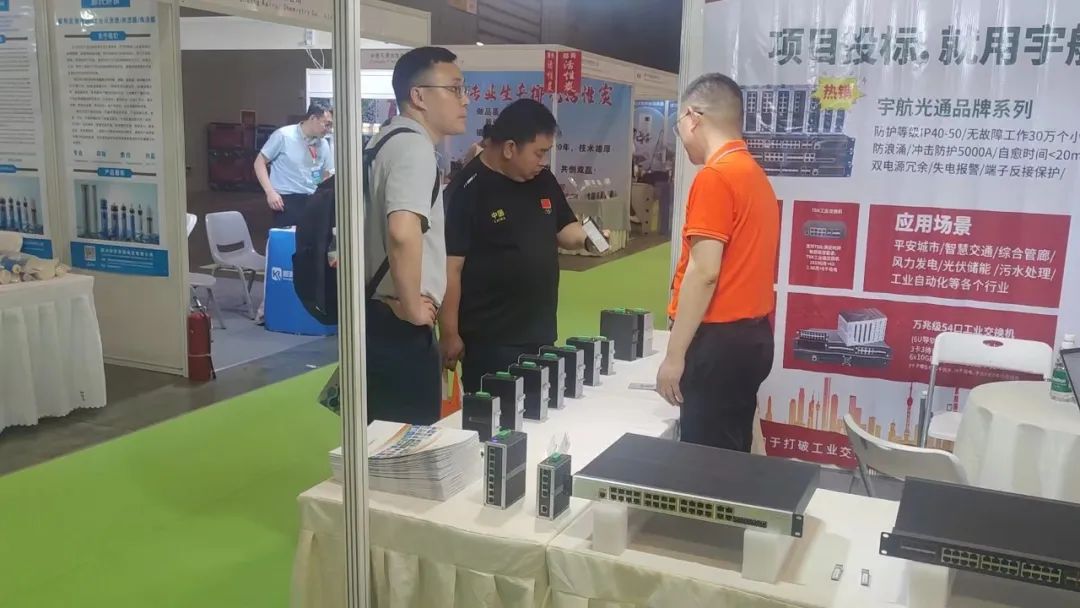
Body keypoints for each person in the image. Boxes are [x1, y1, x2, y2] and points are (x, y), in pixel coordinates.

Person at [440, 99, 602, 392]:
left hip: (541, 332)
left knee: (543, 409)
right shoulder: (467, 189)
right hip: (491, 340)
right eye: (539, 152)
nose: (544, 161)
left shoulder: (543, 179)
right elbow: (451, 268)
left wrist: (589, 238)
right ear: (509, 148)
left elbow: (565, 229)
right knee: (497, 415)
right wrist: (449, 333)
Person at [656, 73, 780, 453]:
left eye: (678, 124)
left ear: (693, 118)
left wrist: (674, 356)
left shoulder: (716, 177)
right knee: (733, 450)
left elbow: (705, 272)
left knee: (707, 464)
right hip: (752, 339)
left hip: (718, 344)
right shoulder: (754, 176)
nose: (681, 136)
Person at [364, 47, 469, 425]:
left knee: (380, 438)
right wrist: (411, 306)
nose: (465, 100)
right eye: (454, 89)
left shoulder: (384, 141)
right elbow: (402, 230)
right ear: (419, 96)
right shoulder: (414, 148)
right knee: (407, 442)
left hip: (375, 315)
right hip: (399, 324)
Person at [254, 102, 334, 228]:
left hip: (313, 200)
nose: (329, 129)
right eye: (327, 124)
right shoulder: (283, 136)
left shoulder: (323, 144)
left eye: (331, 126)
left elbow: (326, 172)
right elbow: (259, 163)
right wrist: (270, 192)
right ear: (313, 118)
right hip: (286, 201)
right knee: (289, 239)